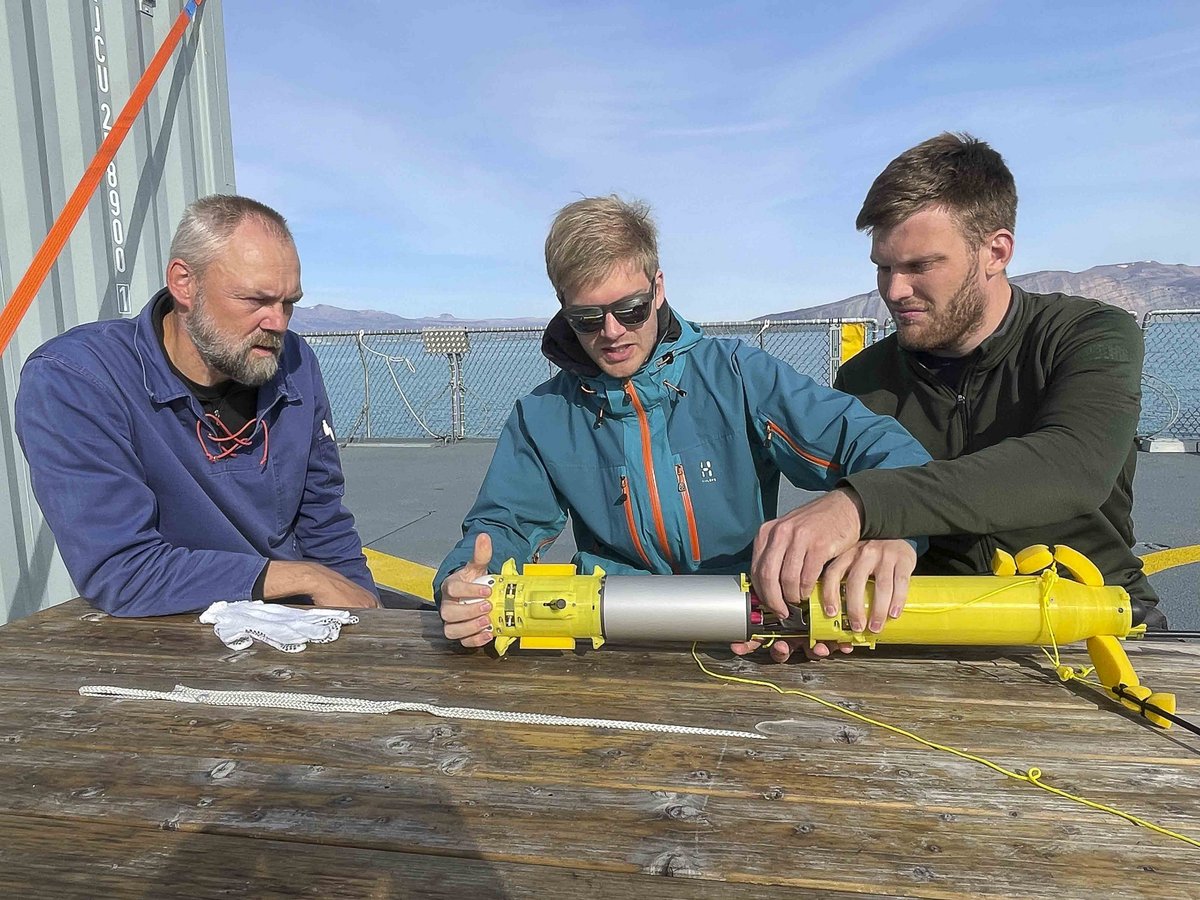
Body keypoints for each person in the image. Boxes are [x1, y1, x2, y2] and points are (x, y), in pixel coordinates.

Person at [435, 195, 933, 661]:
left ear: (658, 289)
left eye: (629, 309)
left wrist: (866, 517)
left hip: (749, 631)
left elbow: (886, 449)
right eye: (586, 319)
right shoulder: (541, 416)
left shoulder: (736, 375)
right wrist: (462, 583)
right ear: (563, 310)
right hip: (615, 643)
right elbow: (501, 527)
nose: (611, 332)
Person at [832, 132, 1165, 627]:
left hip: (1096, 615)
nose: (894, 290)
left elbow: (1072, 465)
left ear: (996, 251)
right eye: (883, 268)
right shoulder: (863, 378)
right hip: (932, 623)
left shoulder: (1087, 333)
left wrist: (865, 504)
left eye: (920, 266)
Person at [16, 195, 379, 617]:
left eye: (288, 302)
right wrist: (302, 578)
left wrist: (371, 620)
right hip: (169, 628)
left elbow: (324, 521)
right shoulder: (75, 378)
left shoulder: (294, 362)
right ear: (184, 282)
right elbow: (120, 570)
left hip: (295, 622)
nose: (278, 322)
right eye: (255, 300)